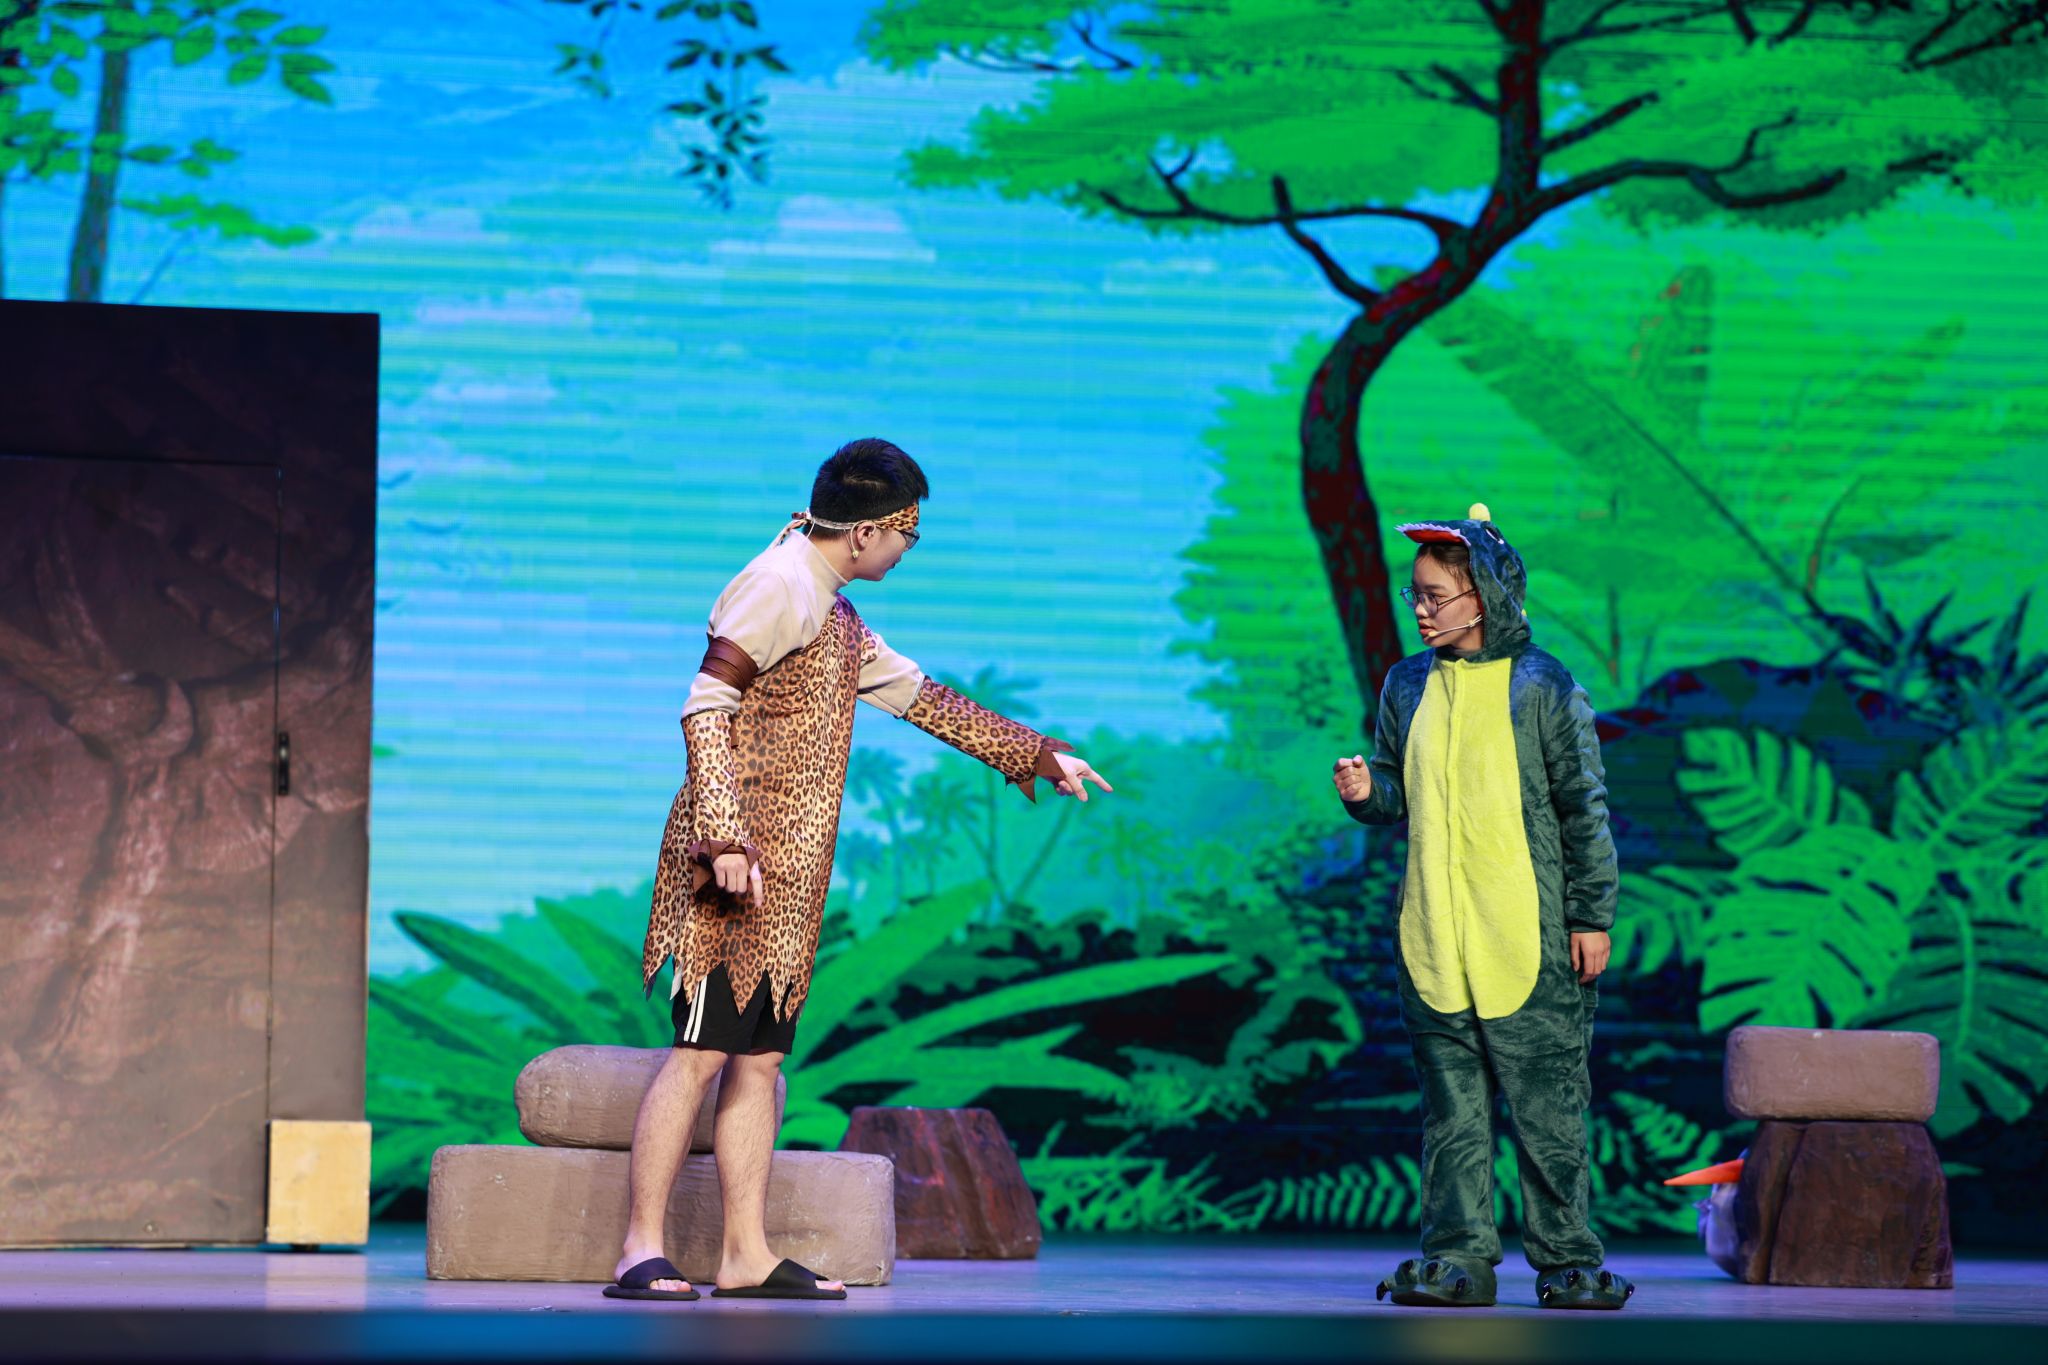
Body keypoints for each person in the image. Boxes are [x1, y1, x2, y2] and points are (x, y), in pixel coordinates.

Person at [607, 439, 1113, 1302]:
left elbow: (919, 696)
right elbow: (705, 706)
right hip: (733, 864)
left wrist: (1034, 753)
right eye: (908, 534)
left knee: (759, 1061)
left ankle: (743, 1254)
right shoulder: (778, 584)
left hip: (788, 877)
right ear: (870, 529)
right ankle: (639, 1248)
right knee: (699, 1054)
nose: (909, 550)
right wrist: (724, 837)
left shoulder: (832, 609)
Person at [1333, 502, 1632, 1311]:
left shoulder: (1542, 685)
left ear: (1485, 595)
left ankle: (1568, 1258)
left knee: (1548, 1110)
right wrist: (1365, 791)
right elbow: (1397, 789)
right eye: (1416, 595)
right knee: (1452, 1116)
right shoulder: (1406, 684)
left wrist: (1591, 914)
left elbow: (1583, 806)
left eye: (1435, 595)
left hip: (1526, 937)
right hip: (1435, 936)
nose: (1421, 609)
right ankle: (1457, 1256)